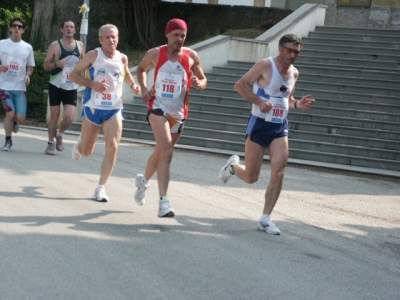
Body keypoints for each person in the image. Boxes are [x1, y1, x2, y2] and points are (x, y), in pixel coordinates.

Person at [218, 34, 315, 235]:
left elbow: (287, 99)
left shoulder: (294, 73)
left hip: (279, 127)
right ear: (280, 49)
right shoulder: (265, 65)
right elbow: (240, 85)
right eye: (289, 50)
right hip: (259, 124)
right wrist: (259, 102)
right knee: (252, 177)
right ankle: (233, 167)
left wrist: (297, 104)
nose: (293, 55)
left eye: (297, 52)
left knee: (279, 171)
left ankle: (265, 218)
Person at [134, 18, 207, 218]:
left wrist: (200, 83)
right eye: (176, 34)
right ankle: (163, 203)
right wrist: (144, 89)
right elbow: (141, 69)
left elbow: (203, 78)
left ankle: (143, 181)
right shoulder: (155, 54)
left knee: (161, 153)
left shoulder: (191, 56)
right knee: (166, 149)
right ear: (167, 35)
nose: (180, 39)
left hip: (179, 113)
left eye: (183, 35)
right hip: (157, 108)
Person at [69, 24, 140, 202]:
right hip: (93, 107)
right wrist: (93, 85)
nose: (111, 40)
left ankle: (100, 188)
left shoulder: (122, 58)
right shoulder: (94, 55)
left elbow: (126, 74)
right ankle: (79, 145)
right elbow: (73, 75)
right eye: (107, 37)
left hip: (114, 108)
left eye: (114, 37)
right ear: (100, 40)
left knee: (113, 146)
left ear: (118, 39)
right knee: (87, 151)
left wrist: (133, 85)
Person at [43, 20, 84, 155]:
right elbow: (45, 65)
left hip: (71, 86)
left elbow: (84, 64)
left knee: (69, 117)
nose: (69, 29)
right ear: (62, 29)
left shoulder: (80, 46)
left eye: (71, 27)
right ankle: (50, 143)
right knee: (55, 117)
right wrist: (57, 64)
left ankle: (59, 134)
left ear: (75, 30)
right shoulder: (55, 45)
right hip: (56, 84)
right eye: (66, 26)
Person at [0, 17, 35, 151]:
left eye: (19, 27)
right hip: (4, 86)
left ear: (23, 30)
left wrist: (27, 75)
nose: (16, 28)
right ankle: (8, 141)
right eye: (14, 26)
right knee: (10, 113)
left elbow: (31, 66)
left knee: (20, 117)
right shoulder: (2, 44)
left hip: (20, 87)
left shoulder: (27, 47)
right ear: (10, 28)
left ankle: (15, 122)